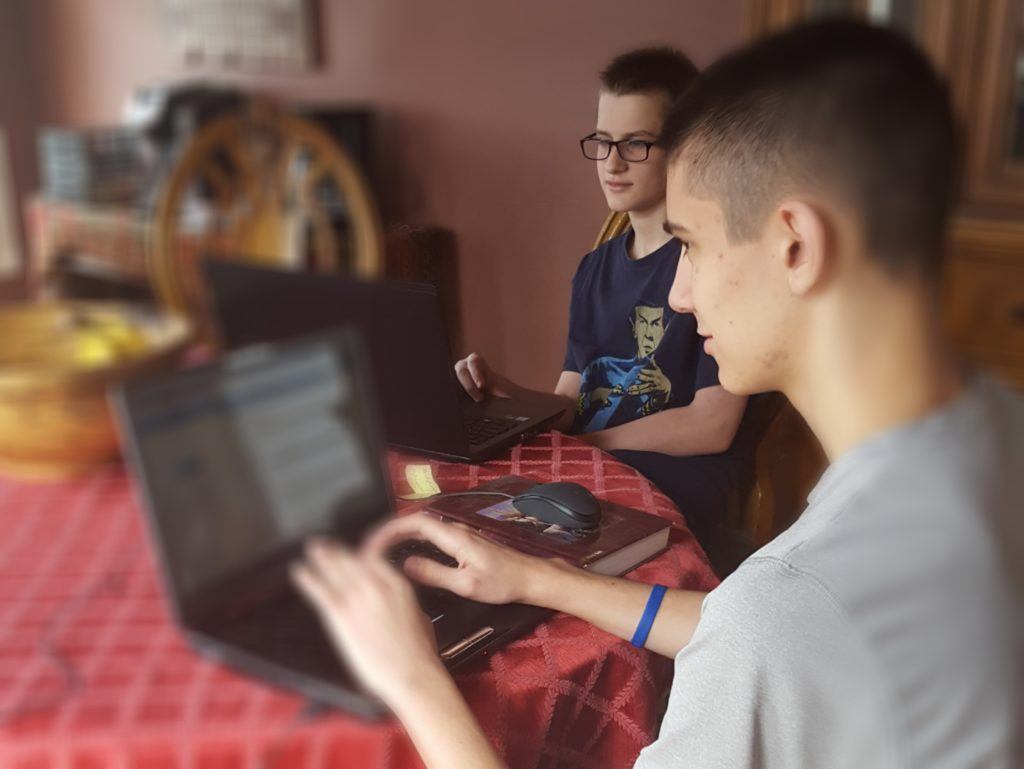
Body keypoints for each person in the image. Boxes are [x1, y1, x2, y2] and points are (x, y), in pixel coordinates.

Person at [291, 20, 1024, 769]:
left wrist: (413, 679)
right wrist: (540, 577)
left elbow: (767, 631)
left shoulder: (787, 613)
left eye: (694, 247)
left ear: (795, 245)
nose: (676, 294)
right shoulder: (993, 433)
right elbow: (741, 626)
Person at [451, 47, 762, 556]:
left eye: (636, 144)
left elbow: (712, 426)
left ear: (685, 146)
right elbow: (571, 404)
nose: (612, 164)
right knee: (475, 514)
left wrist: (587, 448)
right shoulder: (594, 269)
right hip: (589, 471)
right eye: (603, 142)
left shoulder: (711, 263)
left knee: (532, 545)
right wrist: (507, 394)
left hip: (675, 478)